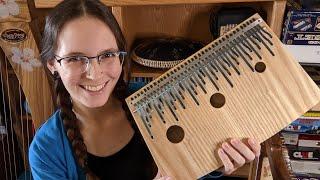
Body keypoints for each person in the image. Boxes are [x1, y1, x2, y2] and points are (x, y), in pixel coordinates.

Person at [29, 0, 261, 179]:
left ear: (121, 56)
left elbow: (192, 164)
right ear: (52, 64)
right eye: (75, 58)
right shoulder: (46, 149)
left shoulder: (158, 101)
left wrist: (214, 162)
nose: (94, 73)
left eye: (107, 55)